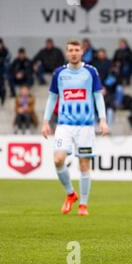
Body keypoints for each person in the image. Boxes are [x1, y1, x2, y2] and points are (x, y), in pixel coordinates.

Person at [41, 40, 109, 216]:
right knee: (58, 159)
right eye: (70, 50)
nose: (73, 53)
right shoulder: (59, 73)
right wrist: (45, 121)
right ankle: (71, 194)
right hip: (64, 125)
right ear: (66, 52)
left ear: (82, 52)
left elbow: (98, 97)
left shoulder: (91, 72)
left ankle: (83, 205)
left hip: (85, 126)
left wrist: (102, 120)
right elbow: (52, 98)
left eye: (76, 50)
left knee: (84, 165)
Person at [0, 38, 11, 104]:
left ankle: (3, 98)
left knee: (2, 86)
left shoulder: (5, 51)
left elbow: (7, 59)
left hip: (2, 71)